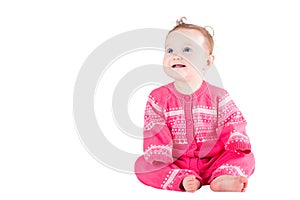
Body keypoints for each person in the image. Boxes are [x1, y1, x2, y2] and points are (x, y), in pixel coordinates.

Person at [134, 17, 255, 192]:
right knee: (142, 165)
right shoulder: (158, 98)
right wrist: (160, 155)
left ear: (207, 61)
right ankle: (182, 181)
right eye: (170, 50)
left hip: (215, 159)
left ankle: (222, 176)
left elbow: (233, 121)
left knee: (246, 158)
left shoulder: (219, 96)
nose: (176, 55)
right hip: (177, 163)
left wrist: (236, 141)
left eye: (187, 49)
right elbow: (155, 128)